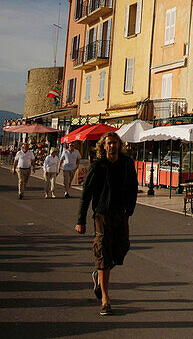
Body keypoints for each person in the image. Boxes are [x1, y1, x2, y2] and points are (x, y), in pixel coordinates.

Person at [75, 132, 137, 316]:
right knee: (102, 252)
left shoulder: (127, 164)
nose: (112, 146)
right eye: (109, 143)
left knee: (122, 249)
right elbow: (86, 195)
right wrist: (80, 220)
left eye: (115, 143)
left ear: (119, 145)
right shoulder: (97, 167)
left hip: (121, 213)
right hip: (102, 214)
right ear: (103, 146)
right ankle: (105, 299)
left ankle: (98, 275)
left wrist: (130, 209)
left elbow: (133, 187)